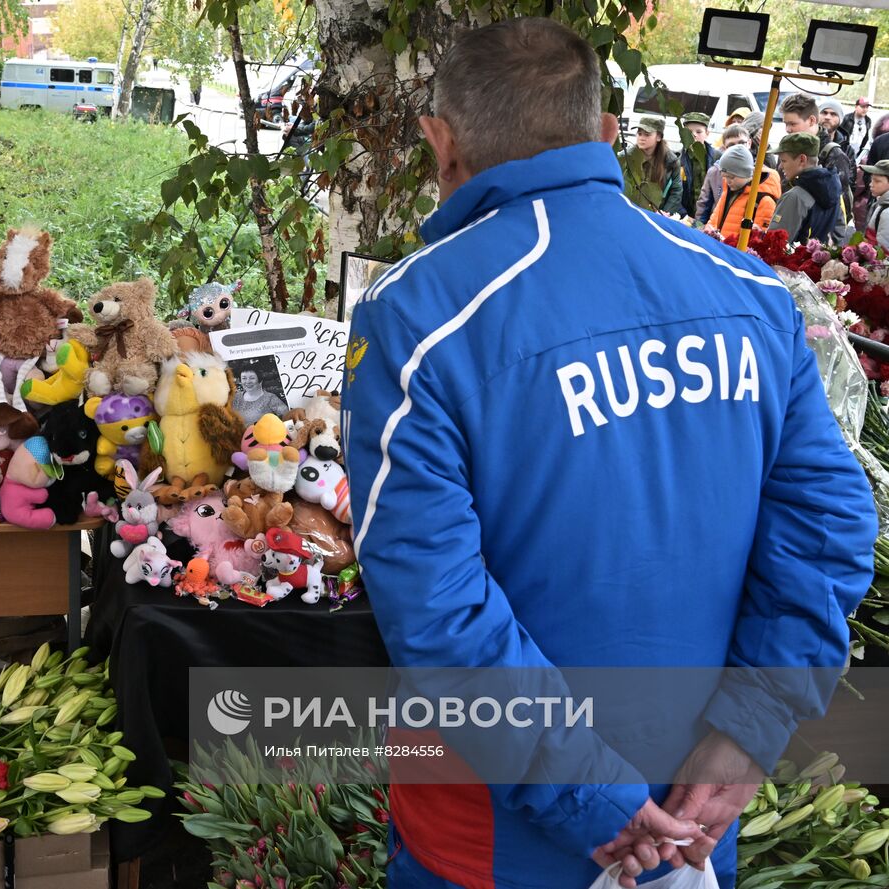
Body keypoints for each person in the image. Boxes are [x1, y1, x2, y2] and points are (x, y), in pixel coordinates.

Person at [343, 16, 874, 889]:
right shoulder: (745, 288)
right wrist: (749, 728)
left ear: (442, 142)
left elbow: (434, 608)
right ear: (606, 135)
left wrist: (593, 796)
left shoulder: (420, 316)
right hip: (694, 817)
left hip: (495, 837)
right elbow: (830, 526)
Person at [783, 93, 854, 235]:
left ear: (811, 120)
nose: (788, 129)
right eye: (786, 124)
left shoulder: (834, 155)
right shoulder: (788, 147)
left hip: (815, 245)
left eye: (792, 124)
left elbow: (841, 208)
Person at [770, 132, 846, 244]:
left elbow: (775, 243)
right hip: (823, 259)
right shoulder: (834, 189)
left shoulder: (795, 196)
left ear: (802, 159)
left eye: (784, 160)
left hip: (793, 261)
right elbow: (839, 233)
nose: (780, 166)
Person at [704, 144, 780, 242]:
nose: (728, 181)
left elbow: (759, 241)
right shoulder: (728, 191)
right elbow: (713, 221)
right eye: (724, 176)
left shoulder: (764, 200)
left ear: (746, 173)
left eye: (732, 177)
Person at [620, 116, 681, 215]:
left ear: (659, 137)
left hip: (655, 215)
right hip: (627, 212)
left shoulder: (671, 162)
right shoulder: (625, 157)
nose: (641, 138)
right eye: (639, 134)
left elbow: (676, 191)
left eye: (647, 134)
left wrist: (665, 212)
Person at [696, 125, 748, 224]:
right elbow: (703, 206)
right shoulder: (714, 173)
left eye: (742, 143)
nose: (737, 148)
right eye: (732, 145)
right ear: (724, 148)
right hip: (716, 230)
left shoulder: (759, 173)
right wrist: (700, 229)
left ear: (749, 143)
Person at [679, 112, 721, 218]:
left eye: (699, 131)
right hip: (685, 216)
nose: (694, 135)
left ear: (707, 133)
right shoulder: (678, 160)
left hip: (711, 217)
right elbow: (675, 193)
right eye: (689, 132)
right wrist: (684, 216)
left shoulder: (717, 157)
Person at [861, 158, 889, 241]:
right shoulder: (881, 202)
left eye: (877, 181)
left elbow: (883, 250)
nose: (870, 184)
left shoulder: (886, 212)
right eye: (871, 179)